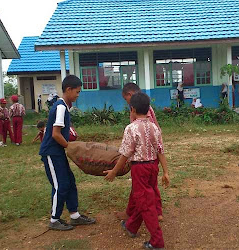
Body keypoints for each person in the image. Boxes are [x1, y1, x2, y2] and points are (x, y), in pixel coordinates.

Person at [104, 92, 170, 250]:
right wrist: (166, 172)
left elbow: (125, 154)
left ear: (132, 109)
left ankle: (157, 241)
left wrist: (114, 171)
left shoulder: (131, 129)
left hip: (139, 168)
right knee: (145, 198)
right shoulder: (154, 127)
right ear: (148, 109)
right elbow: (160, 150)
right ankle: (131, 226)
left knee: (145, 203)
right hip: (153, 166)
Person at [39, 75, 96, 231]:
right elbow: (55, 134)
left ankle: (75, 215)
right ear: (68, 89)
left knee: (69, 181)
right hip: (51, 152)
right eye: (77, 92)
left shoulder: (64, 106)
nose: (78, 95)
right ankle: (54, 219)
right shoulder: (61, 107)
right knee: (60, 185)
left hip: (58, 152)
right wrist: (70, 147)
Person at [118, 82, 164, 223]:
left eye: (126, 99)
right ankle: (132, 212)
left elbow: (147, 132)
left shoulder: (143, 110)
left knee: (148, 186)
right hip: (144, 155)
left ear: (130, 95)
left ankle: (155, 213)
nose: (127, 103)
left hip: (146, 156)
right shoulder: (142, 107)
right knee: (141, 187)